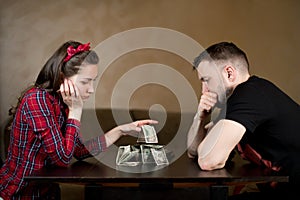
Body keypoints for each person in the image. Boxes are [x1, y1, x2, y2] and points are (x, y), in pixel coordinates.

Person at [0, 40, 158, 199]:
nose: (91, 89)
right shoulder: (37, 100)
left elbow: (78, 151)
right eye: (85, 81)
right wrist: (76, 110)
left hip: (47, 193)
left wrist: (120, 131)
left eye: (93, 81)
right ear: (63, 77)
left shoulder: (62, 102)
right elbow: (63, 158)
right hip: (17, 193)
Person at [187, 41, 300, 199]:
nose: (204, 90)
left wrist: (206, 150)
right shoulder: (237, 103)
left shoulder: (250, 95)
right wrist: (200, 117)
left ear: (229, 73)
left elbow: (209, 161)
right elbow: (193, 151)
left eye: (207, 80)